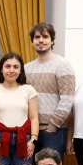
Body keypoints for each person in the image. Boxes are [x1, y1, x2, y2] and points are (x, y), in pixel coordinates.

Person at [24, 22, 76, 154]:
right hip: (30, 131)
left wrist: (53, 126)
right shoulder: (26, 68)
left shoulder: (63, 65)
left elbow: (67, 100)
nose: (41, 40)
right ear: (32, 41)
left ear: (52, 41)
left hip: (54, 131)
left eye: (45, 37)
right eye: (37, 37)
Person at [0, 52, 38, 165]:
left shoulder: (29, 90)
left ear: (21, 71)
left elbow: (34, 118)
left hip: (24, 139)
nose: (11, 70)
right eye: (8, 66)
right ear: (1, 69)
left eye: (16, 67)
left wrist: (33, 140)